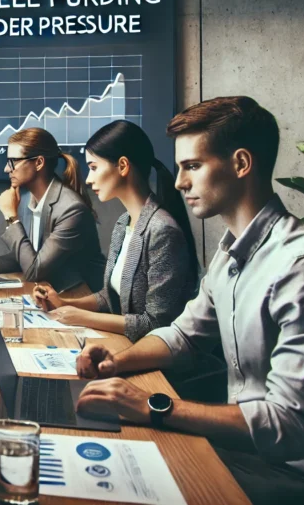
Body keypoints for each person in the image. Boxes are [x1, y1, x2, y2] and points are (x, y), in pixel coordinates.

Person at [73, 97, 304, 505]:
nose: (178, 182)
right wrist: (116, 362)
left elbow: (289, 425)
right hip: (248, 455)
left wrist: (154, 405)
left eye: (192, 166)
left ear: (241, 164)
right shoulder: (231, 254)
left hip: (301, 482)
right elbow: (183, 336)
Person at [32, 121, 198, 342]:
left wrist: (81, 317)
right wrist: (64, 303)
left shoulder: (162, 231)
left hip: (157, 364)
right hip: (123, 343)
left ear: (122, 166)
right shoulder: (124, 223)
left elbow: (156, 323)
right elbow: (110, 297)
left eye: (93, 168)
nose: (89, 180)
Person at [0, 127, 106, 292]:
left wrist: (11, 218)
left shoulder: (71, 210)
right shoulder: (28, 199)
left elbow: (34, 270)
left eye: (13, 161)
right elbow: (27, 256)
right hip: (54, 296)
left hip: (84, 301)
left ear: (39, 163)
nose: (7, 169)